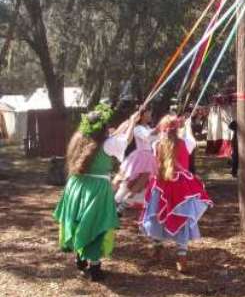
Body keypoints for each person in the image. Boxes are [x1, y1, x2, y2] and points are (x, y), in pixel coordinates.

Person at [53, 104, 139, 282]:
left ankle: (80, 258)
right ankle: (95, 268)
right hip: (97, 189)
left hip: (76, 186)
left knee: (79, 221)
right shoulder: (107, 143)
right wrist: (132, 123)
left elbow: (113, 138)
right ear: (103, 129)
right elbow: (124, 140)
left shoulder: (80, 139)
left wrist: (129, 121)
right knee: (96, 225)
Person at [140, 115, 212, 273]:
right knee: (182, 219)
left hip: (160, 184)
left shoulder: (156, 144)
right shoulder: (187, 142)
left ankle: (157, 248)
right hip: (180, 187)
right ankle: (181, 257)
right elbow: (190, 140)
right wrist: (188, 127)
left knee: (158, 215)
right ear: (177, 128)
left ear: (162, 128)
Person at [115, 106, 159, 215]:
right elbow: (147, 136)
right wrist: (160, 127)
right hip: (140, 158)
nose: (150, 115)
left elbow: (155, 137)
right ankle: (117, 203)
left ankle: (122, 204)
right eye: (148, 113)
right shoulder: (137, 128)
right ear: (142, 115)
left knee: (141, 184)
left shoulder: (147, 127)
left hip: (148, 157)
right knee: (129, 182)